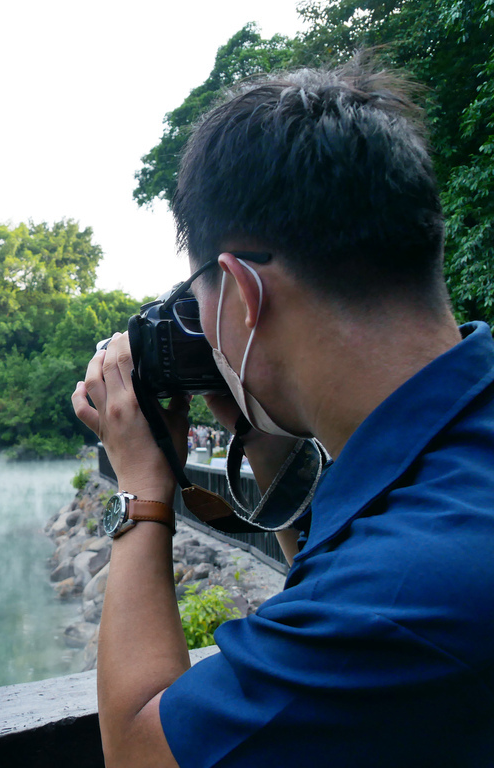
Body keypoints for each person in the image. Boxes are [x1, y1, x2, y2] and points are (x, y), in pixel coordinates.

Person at [72, 61, 494, 767]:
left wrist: (141, 491)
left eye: (199, 297)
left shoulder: (401, 591)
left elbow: (142, 752)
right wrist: (262, 437)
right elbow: (332, 581)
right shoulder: (448, 469)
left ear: (240, 291)